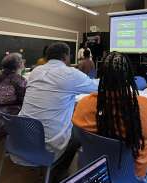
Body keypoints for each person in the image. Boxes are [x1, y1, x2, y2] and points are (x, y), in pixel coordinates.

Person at [72, 52, 147, 180]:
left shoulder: (83, 105)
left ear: (101, 76)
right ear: (130, 77)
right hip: (134, 178)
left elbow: (78, 137)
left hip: (97, 174)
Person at [19, 42, 98, 181]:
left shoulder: (36, 71)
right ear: (66, 56)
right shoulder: (70, 73)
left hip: (22, 137)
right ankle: (59, 171)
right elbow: (97, 88)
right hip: (48, 143)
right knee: (81, 131)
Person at [0, 53, 27, 126]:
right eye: (22, 61)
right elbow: (24, 99)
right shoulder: (19, 80)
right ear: (18, 65)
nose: (23, 63)